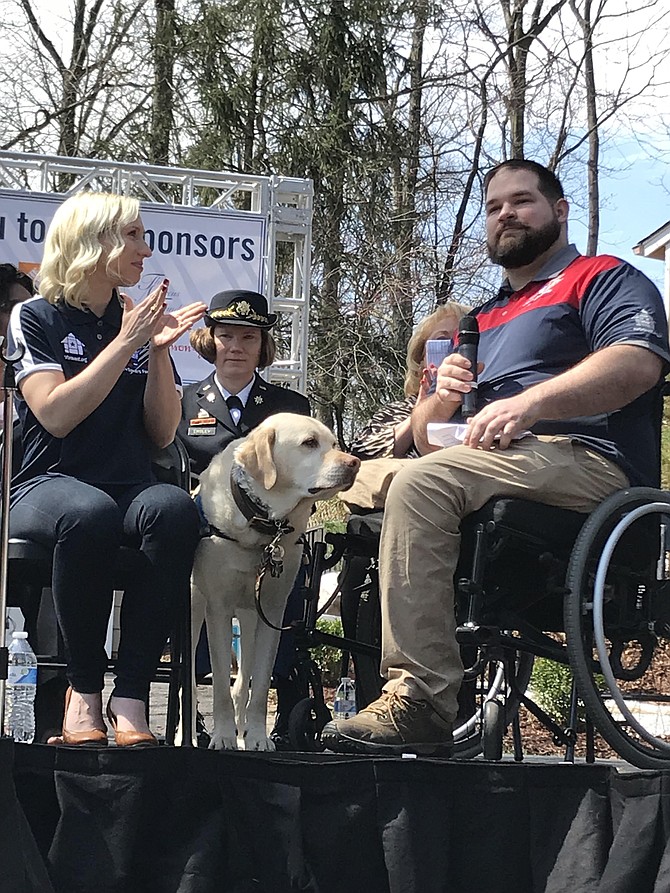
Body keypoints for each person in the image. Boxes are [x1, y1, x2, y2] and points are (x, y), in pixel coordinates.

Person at [322, 158, 670, 756]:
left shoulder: (602, 277)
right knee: (341, 481)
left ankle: (422, 697)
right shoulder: (480, 317)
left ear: (560, 212)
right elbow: (433, 443)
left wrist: (530, 403)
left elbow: (638, 361)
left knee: (421, 485)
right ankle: (301, 674)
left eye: (521, 201)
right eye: (492, 207)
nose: (504, 213)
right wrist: (440, 398)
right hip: (490, 463)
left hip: (587, 461)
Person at [7, 191, 206, 747]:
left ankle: (132, 694)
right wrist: (125, 344)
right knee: (87, 514)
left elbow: (163, 433)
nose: (147, 249)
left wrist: (160, 351)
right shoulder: (36, 316)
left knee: (173, 511)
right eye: (134, 236)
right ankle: (83, 690)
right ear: (94, 245)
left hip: (127, 485)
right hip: (48, 485)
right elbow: (56, 415)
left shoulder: (134, 322)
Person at [178, 289, 311, 749]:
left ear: (262, 346)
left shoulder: (290, 409)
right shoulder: (183, 400)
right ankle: (186, 709)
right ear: (210, 340)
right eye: (226, 335)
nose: (235, 346)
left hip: (271, 540)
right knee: (192, 609)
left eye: (248, 337)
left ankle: (271, 706)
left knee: (278, 613)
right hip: (207, 538)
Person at [349, 302, 469, 461]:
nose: (453, 352)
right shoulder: (398, 410)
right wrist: (418, 416)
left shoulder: (489, 406)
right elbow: (362, 454)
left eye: (462, 342)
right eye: (442, 342)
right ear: (421, 359)